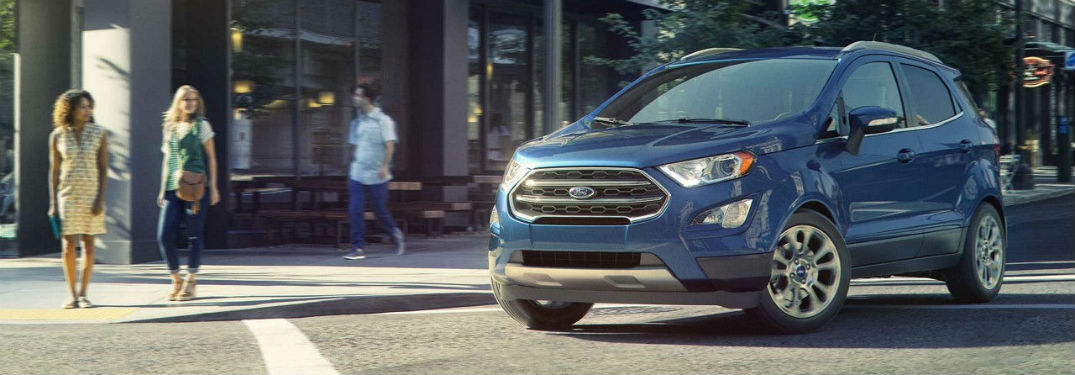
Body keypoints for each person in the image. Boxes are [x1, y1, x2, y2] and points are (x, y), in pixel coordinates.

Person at [157, 85, 220, 301]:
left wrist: (214, 187)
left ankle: (191, 279)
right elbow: (167, 159)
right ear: (178, 102)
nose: (190, 103)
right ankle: (176, 278)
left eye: (194, 99)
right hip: (173, 187)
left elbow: (211, 157)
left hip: (195, 187)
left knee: (194, 235)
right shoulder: (171, 127)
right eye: (186, 99)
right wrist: (162, 188)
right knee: (164, 234)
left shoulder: (202, 126)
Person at [48, 89, 109, 309]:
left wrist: (100, 199)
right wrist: (53, 203)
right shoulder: (57, 135)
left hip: (92, 194)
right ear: (70, 109)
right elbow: (54, 171)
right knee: (68, 246)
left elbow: (103, 168)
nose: (87, 110)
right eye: (82, 106)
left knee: (89, 245)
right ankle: (71, 294)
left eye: (89, 106)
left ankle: (84, 294)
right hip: (67, 194)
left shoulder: (99, 133)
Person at [343, 83, 405, 260]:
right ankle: (357, 247)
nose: (354, 98)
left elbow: (390, 146)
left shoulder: (383, 121)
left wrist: (385, 166)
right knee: (355, 209)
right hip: (357, 173)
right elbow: (353, 145)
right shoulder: (356, 122)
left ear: (367, 99)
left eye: (357, 95)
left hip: (377, 174)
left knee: (379, 210)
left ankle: (395, 233)